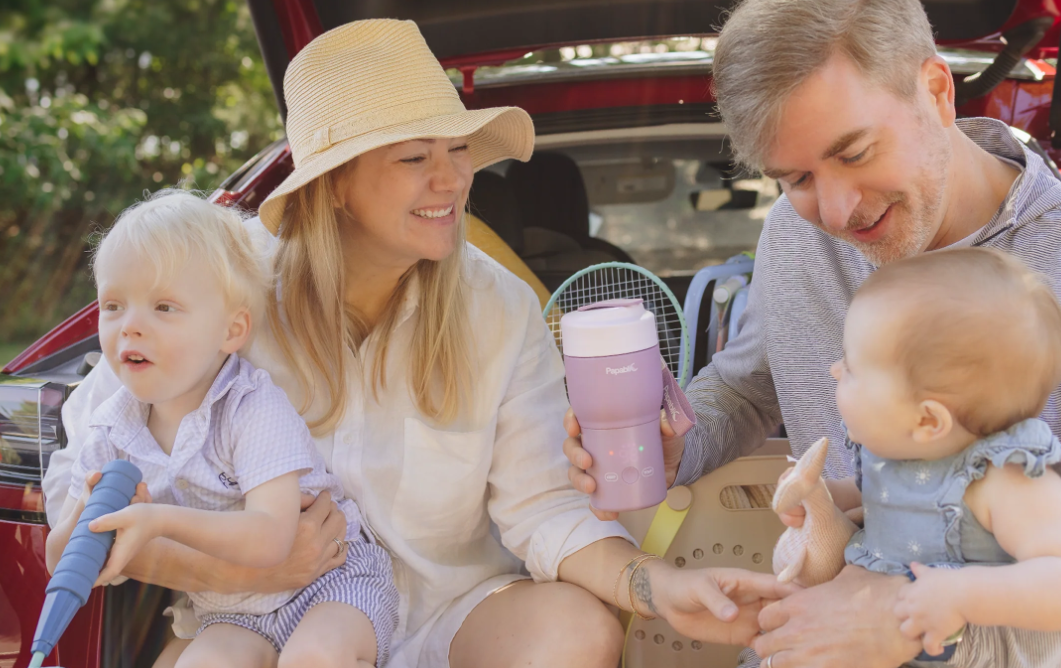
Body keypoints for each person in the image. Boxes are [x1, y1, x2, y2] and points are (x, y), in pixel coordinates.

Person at [43, 19, 792, 668]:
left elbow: (542, 511)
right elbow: (81, 477)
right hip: (252, 621)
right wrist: (247, 563)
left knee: (571, 631)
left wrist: (654, 586)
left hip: (449, 615)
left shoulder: (496, 305)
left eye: (457, 149)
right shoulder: (224, 281)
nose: (451, 179)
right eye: (412, 157)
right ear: (332, 183)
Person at [564, 0, 1061, 666]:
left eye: (854, 152)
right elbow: (746, 390)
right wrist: (677, 449)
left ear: (935, 90)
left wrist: (940, 629)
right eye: (796, 178)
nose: (836, 210)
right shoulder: (794, 231)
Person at [46, 191, 398, 668]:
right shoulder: (112, 429)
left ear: (231, 331)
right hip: (231, 612)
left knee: (314, 657)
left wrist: (158, 522)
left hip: (329, 583)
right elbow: (58, 561)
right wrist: (83, 519)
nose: (130, 326)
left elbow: (272, 536)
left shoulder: (250, 406)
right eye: (113, 305)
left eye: (164, 307)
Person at [793, 248, 1061, 661]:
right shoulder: (899, 448)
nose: (835, 370)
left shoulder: (1003, 478)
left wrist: (963, 594)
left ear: (927, 421)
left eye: (852, 367)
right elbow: (885, 498)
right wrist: (821, 497)